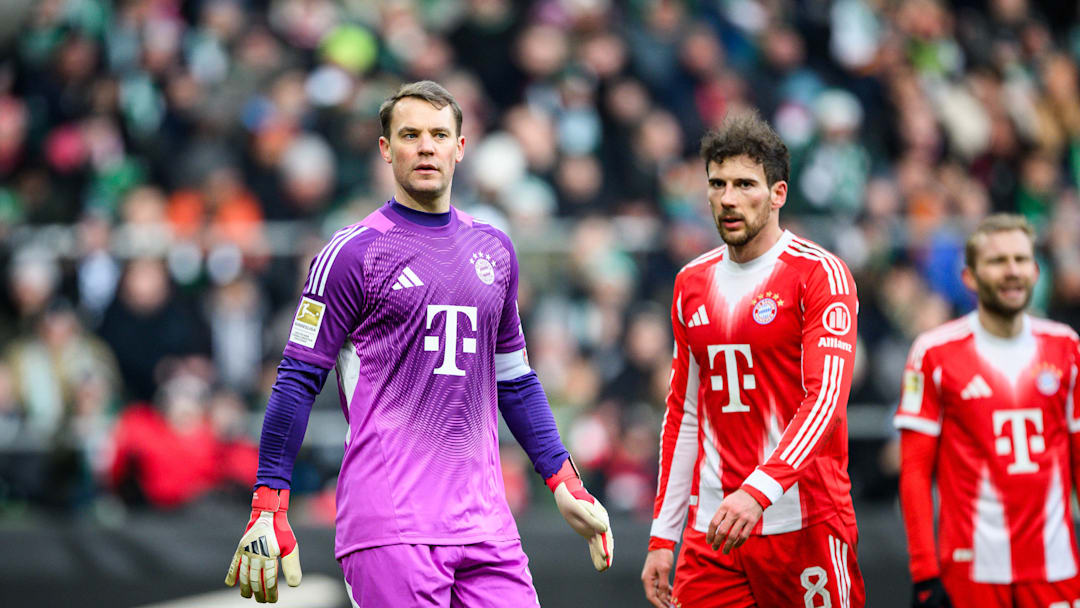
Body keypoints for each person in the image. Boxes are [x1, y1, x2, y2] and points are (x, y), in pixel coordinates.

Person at [224, 81, 613, 605]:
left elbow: (515, 380)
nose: (426, 146)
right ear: (386, 149)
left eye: (438, 134)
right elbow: (295, 380)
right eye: (410, 135)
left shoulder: (495, 250)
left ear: (460, 147)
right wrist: (268, 504)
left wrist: (563, 480)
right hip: (391, 524)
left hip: (486, 525)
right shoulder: (352, 254)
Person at [641, 110, 865, 608]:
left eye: (745, 184)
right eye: (717, 184)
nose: (728, 199)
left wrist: (758, 489)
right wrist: (663, 535)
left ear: (778, 194)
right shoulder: (690, 283)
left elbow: (825, 399)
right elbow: (685, 414)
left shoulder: (820, 275)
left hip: (801, 521)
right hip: (714, 533)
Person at [895, 214, 1080, 608]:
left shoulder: (1067, 347)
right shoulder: (934, 351)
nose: (1012, 271)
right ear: (970, 278)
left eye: (1021, 260)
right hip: (969, 572)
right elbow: (914, 471)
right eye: (998, 261)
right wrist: (924, 570)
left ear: (1036, 269)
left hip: (1056, 567)